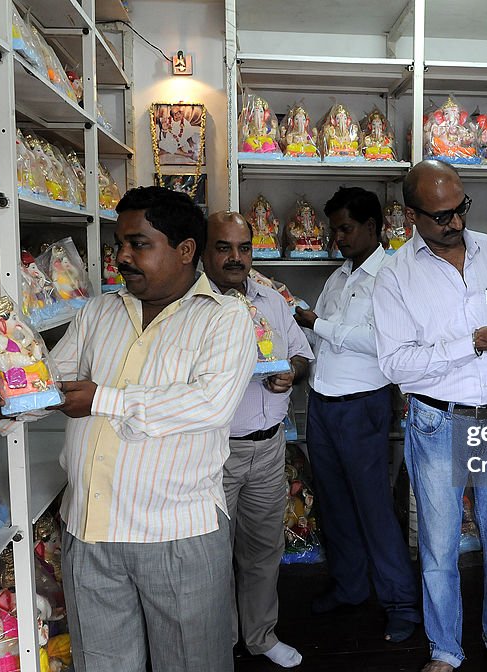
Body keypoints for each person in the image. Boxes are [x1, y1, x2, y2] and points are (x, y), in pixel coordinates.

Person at [0, 187, 255, 672]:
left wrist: (102, 399)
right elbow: (48, 388)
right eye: (119, 244)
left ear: (185, 250)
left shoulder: (225, 318)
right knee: (102, 663)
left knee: (192, 663)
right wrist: (0, 398)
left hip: (178, 536)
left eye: (138, 243)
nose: (122, 256)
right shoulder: (99, 312)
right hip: (89, 531)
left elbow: (210, 403)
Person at [373, 160, 487, 672]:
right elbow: (395, 364)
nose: (454, 223)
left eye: (460, 210)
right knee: (439, 546)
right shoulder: (395, 275)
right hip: (436, 419)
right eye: (441, 215)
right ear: (411, 215)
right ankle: (446, 649)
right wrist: (469, 342)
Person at [293, 187, 420, 643]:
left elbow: (380, 340)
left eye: (346, 228)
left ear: (374, 227)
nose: (338, 238)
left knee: (373, 507)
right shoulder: (339, 276)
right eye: (334, 230)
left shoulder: (391, 275)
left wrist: (315, 323)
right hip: (324, 401)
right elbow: (320, 342)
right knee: (334, 504)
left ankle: (400, 602)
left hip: (362, 404)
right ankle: (349, 587)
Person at [202, 211, 313, 668]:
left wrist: (290, 372)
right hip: (214, 451)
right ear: (202, 251)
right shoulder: (192, 306)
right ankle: (221, 640)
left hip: (269, 448)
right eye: (224, 247)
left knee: (264, 551)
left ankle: (261, 636)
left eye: (244, 248)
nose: (235, 257)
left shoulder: (270, 300)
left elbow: (303, 357)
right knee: (212, 555)